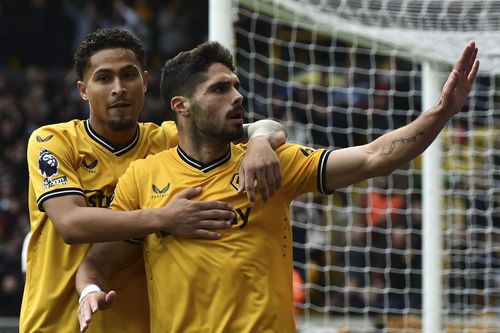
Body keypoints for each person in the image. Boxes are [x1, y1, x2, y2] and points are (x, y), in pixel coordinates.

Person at [76, 40, 479, 332]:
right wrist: (89, 291)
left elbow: (375, 156)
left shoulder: (276, 162)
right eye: (219, 89)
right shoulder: (144, 177)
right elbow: (95, 262)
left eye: (235, 85)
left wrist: (441, 113)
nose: (238, 96)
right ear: (182, 106)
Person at [21, 28, 286, 333]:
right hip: (56, 325)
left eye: (129, 76)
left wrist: (259, 143)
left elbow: (265, 127)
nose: (119, 88)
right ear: (83, 89)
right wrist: (164, 217)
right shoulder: (53, 141)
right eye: (104, 78)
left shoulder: (168, 141)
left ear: (145, 82)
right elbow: (70, 224)